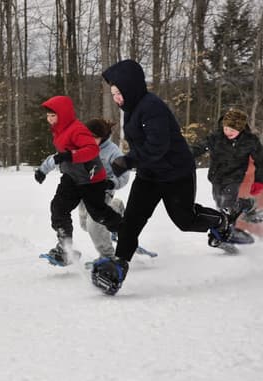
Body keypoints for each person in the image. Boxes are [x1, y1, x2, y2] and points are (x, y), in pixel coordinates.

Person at [94, 59, 231, 295]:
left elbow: (157, 146)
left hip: (176, 174)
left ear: (130, 88)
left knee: (185, 220)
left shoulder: (152, 107)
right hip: (149, 175)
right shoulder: (132, 109)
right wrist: (132, 160)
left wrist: (128, 160)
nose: (116, 98)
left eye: (118, 92)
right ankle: (119, 265)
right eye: (113, 93)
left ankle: (221, 221)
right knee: (132, 221)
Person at [34, 96, 122, 266]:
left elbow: (94, 152)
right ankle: (65, 248)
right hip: (73, 179)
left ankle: (119, 238)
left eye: (53, 115)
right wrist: (43, 170)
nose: (49, 119)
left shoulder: (81, 132)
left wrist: (71, 156)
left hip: (95, 182)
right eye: (48, 115)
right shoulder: (60, 132)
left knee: (96, 218)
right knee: (62, 210)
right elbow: (58, 156)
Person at [191, 108, 263, 231]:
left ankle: (229, 230)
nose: (228, 132)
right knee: (219, 202)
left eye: (232, 130)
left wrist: (259, 180)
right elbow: (198, 148)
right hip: (216, 176)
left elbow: (261, 160)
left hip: (235, 176)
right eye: (226, 128)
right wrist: (181, 155)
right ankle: (246, 205)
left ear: (240, 129)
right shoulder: (215, 138)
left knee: (227, 203)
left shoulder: (250, 140)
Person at [77, 119, 129, 263]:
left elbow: (124, 175)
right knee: (84, 225)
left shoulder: (113, 152)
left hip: (103, 191)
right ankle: (116, 210)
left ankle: (108, 257)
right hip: (85, 191)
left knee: (94, 224)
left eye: (94, 137)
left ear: (103, 137)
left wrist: (110, 183)